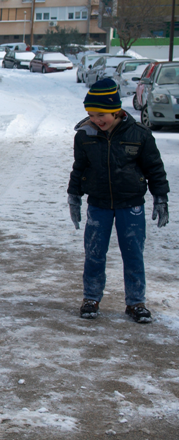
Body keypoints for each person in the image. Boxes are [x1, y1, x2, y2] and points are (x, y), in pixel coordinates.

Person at [67, 78, 170, 323]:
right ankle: (91, 297)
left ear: (116, 110)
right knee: (94, 252)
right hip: (99, 204)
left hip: (131, 205)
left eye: (100, 114)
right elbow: (79, 168)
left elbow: (154, 168)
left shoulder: (140, 134)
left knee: (133, 253)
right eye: (91, 114)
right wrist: (74, 196)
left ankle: (136, 302)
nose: (95, 120)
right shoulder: (85, 136)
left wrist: (161, 197)